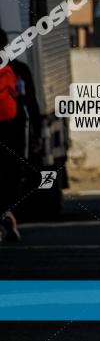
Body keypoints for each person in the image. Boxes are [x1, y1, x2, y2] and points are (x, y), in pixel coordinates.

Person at [0, 28, 41, 243]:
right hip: (14, 130)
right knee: (13, 176)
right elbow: (31, 103)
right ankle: (9, 217)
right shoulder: (19, 69)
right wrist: (37, 131)